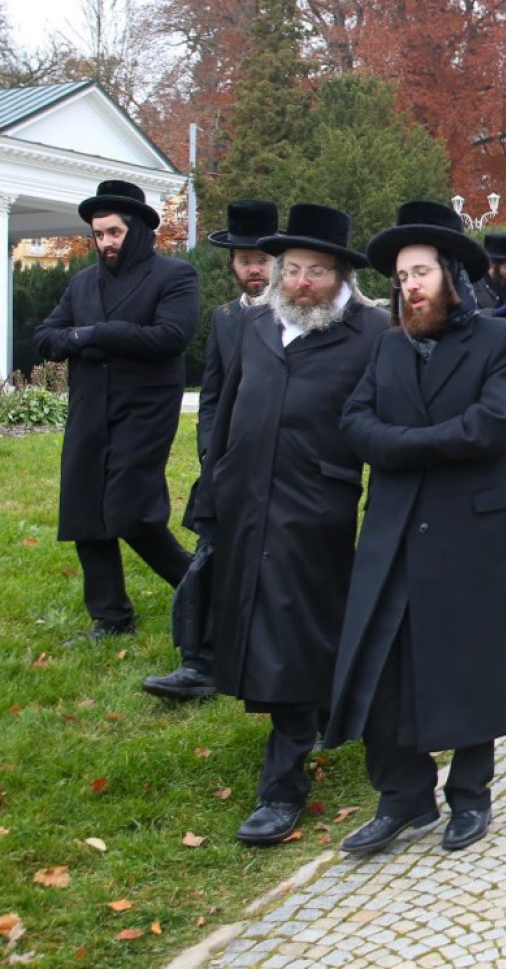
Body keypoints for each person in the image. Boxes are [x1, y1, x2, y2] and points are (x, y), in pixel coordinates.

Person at [328, 200, 506, 855]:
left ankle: (470, 796)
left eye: (420, 271)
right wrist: (414, 441)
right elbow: (354, 421)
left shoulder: (503, 342)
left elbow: (492, 426)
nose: (409, 286)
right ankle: (404, 797)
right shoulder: (387, 346)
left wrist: (403, 443)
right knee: (386, 668)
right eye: (400, 276)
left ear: (451, 275)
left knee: (469, 661)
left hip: (470, 533)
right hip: (394, 530)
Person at [201, 204, 387, 844]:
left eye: (317, 271)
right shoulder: (255, 328)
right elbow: (226, 411)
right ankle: (334, 713)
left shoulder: (370, 334)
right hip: (245, 503)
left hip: (319, 510)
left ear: (342, 279)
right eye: (293, 270)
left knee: (295, 637)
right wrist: (211, 495)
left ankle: (282, 787)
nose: (302, 283)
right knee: (262, 629)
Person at [35, 179, 199, 637]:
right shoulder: (82, 282)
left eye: (114, 233)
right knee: (85, 512)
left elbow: (170, 337)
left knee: (132, 512)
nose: (105, 242)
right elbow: (46, 337)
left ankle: (200, 586)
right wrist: (84, 336)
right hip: (89, 410)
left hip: (144, 409)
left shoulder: (174, 276)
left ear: (138, 232)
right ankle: (110, 618)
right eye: (98, 233)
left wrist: (94, 334)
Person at [142, 198, 277, 702]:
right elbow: (214, 394)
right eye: (244, 261)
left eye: (262, 259)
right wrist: (209, 454)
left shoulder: (298, 315)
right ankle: (198, 663)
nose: (254, 270)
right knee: (209, 553)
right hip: (226, 461)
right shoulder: (224, 318)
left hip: (282, 463)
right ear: (232, 265)